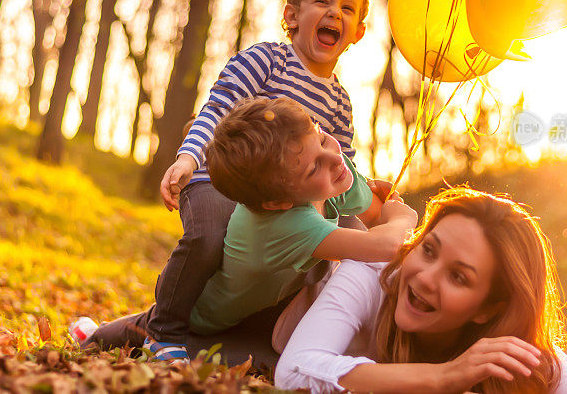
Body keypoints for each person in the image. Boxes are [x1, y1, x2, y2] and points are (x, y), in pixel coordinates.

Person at [150, 0, 377, 359]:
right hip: (218, 180)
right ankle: (164, 331)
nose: (334, 13)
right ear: (292, 15)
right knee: (208, 237)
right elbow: (218, 107)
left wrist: (367, 196)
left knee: (308, 262)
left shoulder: (340, 101)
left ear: (357, 32)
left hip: (279, 206)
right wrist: (188, 160)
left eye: (346, 8)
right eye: (323, 1)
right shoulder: (267, 60)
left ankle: (273, 336)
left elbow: (343, 165)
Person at [76, 97, 417, 361]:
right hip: (204, 311)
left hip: (261, 306)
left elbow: (374, 214)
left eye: (324, 138)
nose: (335, 157)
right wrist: (403, 217)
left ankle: (98, 331)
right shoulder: (288, 224)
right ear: (278, 202)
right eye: (315, 167)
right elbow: (386, 244)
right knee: (148, 328)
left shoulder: (332, 169)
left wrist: (384, 210)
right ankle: (92, 335)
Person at [275, 186, 567, 393]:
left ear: (490, 309)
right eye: (428, 249)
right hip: (258, 322)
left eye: (459, 277)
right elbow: (293, 372)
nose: (424, 278)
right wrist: (441, 379)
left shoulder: (508, 349)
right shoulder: (370, 274)